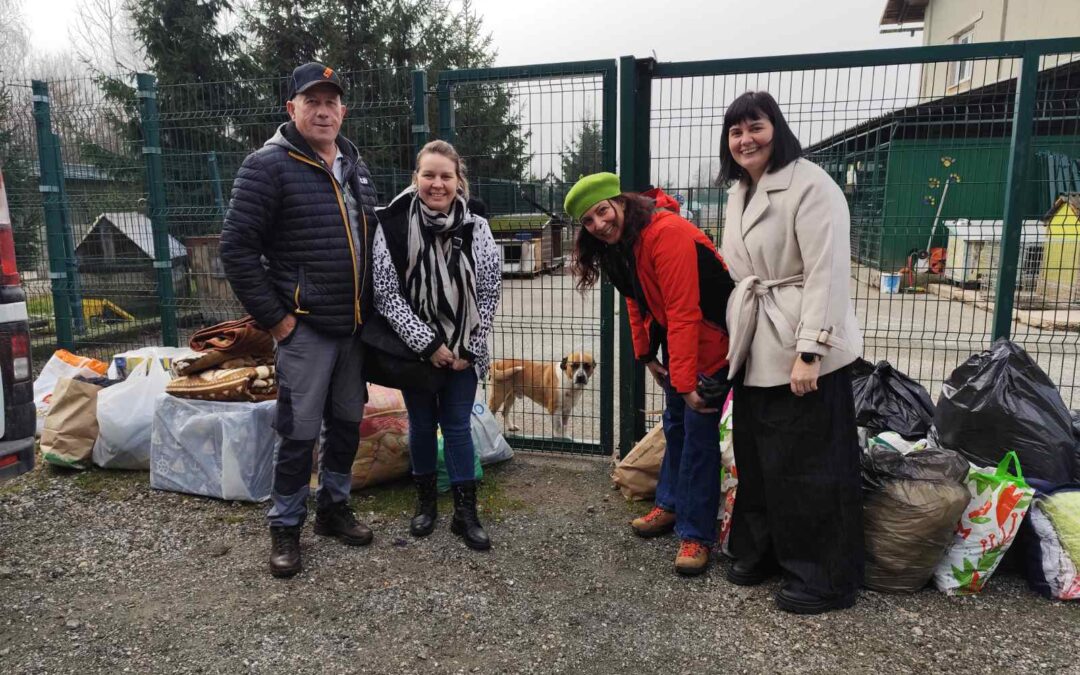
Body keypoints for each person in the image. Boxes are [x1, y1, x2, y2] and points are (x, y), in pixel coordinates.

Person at [221, 62, 377, 578]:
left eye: (332, 101)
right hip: (305, 328)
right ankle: (285, 527)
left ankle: (333, 510)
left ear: (343, 110)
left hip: (353, 328)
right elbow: (236, 250)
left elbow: (371, 240)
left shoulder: (354, 164)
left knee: (348, 425)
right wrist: (277, 321)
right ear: (292, 109)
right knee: (298, 432)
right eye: (312, 101)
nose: (324, 110)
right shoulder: (267, 166)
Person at [718, 90, 864, 614]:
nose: (745, 139)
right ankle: (766, 553)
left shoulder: (811, 184)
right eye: (735, 132)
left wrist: (811, 352)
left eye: (755, 127)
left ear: (776, 128)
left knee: (810, 466)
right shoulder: (738, 191)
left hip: (800, 341)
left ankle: (826, 577)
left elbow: (827, 271)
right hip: (758, 341)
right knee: (760, 461)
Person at [565, 172, 734, 576]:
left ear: (620, 201)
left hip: (713, 345)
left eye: (602, 211)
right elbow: (636, 301)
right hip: (681, 347)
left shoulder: (666, 233)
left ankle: (697, 534)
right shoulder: (622, 245)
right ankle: (671, 505)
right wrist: (646, 355)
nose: (599, 225)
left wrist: (687, 382)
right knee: (674, 425)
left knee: (698, 439)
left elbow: (684, 310)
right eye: (588, 221)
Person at [371, 140, 501, 551]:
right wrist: (428, 345)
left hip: (465, 349)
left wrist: (467, 347)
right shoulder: (391, 224)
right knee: (423, 425)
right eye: (429, 175)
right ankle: (426, 503)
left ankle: (466, 513)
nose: (437, 184)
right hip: (416, 349)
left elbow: (490, 291)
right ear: (416, 178)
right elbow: (386, 293)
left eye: (446, 175)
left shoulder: (476, 225)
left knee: (458, 425)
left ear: (458, 181)